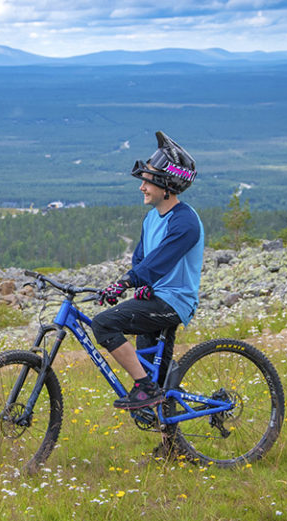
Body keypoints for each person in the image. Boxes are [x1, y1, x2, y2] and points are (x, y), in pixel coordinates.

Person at [91, 131, 204, 411]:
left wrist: (126, 283)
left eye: (147, 181)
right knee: (159, 377)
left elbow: (159, 263)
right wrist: (137, 280)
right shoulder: (153, 218)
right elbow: (142, 260)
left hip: (173, 302)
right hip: (155, 297)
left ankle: (143, 387)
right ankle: (170, 444)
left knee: (104, 323)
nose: (142, 187)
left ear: (166, 186)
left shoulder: (185, 223)